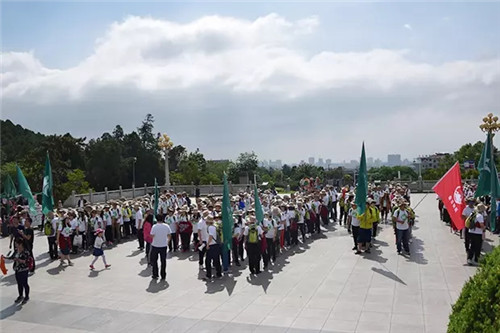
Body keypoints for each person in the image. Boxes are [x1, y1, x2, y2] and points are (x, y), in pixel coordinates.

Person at [149, 215, 171, 280]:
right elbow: (169, 235)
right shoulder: (166, 226)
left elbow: (152, 235)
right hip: (163, 245)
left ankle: (155, 274)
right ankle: (163, 274)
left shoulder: (154, 226)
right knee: (163, 261)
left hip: (155, 245)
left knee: (154, 260)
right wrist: (168, 241)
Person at [12, 239, 31, 304]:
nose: (15, 245)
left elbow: (27, 261)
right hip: (17, 269)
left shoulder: (26, 252)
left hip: (24, 269)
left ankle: (27, 296)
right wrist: (4, 258)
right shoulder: (16, 251)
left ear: (20, 244)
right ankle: (20, 295)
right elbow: (12, 257)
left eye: (16, 244)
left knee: (24, 283)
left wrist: (19, 260)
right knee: (19, 283)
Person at [204, 215, 222, 280]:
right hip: (216, 245)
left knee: (208, 261)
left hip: (212, 245)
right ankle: (219, 273)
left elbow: (210, 236)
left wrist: (207, 244)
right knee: (216, 260)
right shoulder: (214, 226)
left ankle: (208, 275)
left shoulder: (210, 227)